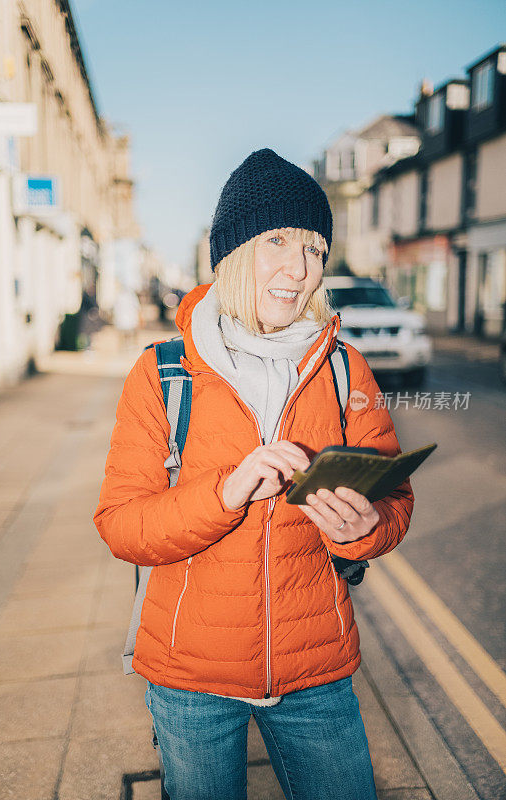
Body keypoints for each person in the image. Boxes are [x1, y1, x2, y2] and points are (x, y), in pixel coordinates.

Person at [93, 148, 414, 800]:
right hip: (190, 679)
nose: (299, 270)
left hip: (315, 669)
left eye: (315, 251)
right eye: (277, 242)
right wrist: (226, 491)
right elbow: (123, 526)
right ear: (234, 252)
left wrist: (364, 528)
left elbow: (395, 501)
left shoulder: (344, 369)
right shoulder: (163, 373)